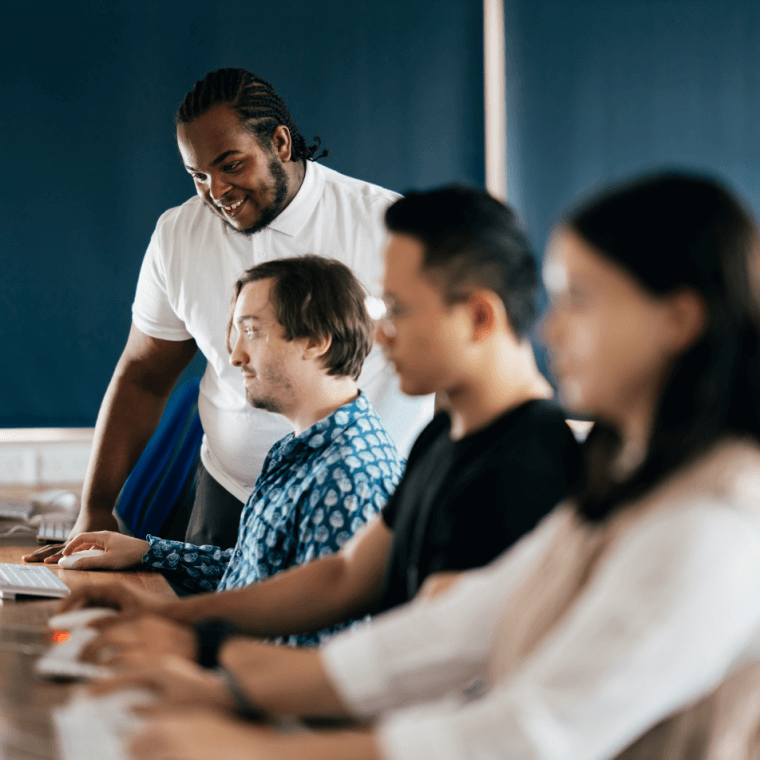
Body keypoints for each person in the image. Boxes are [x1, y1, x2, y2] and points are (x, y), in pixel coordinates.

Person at [106, 172, 760, 760]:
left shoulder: (713, 523)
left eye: (580, 301)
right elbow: (451, 629)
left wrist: (243, 741)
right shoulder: (629, 483)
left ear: (677, 319)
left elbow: (528, 734)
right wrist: (208, 660)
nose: (553, 332)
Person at [60, 185, 581, 653]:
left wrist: (210, 683)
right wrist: (163, 611)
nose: (379, 336)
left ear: (478, 316)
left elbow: (425, 671)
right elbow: (339, 579)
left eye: (397, 310)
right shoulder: (444, 437)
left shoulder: (526, 469)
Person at [26, 67, 432, 560]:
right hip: (232, 498)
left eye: (231, 166)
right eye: (198, 175)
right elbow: (143, 377)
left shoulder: (389, 228)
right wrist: (96, 506)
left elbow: (447, 367)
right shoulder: (179, 235)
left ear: (280, 143)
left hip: (360, 499)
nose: (216, 191)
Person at [60, 256, 404, 646]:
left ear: (316, 341)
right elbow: (259, 570)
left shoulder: (347, 476)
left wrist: (181, 652)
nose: (236, 354)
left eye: (252, 332)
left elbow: (316, 656)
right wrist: (146, 552)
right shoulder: (301, 446)